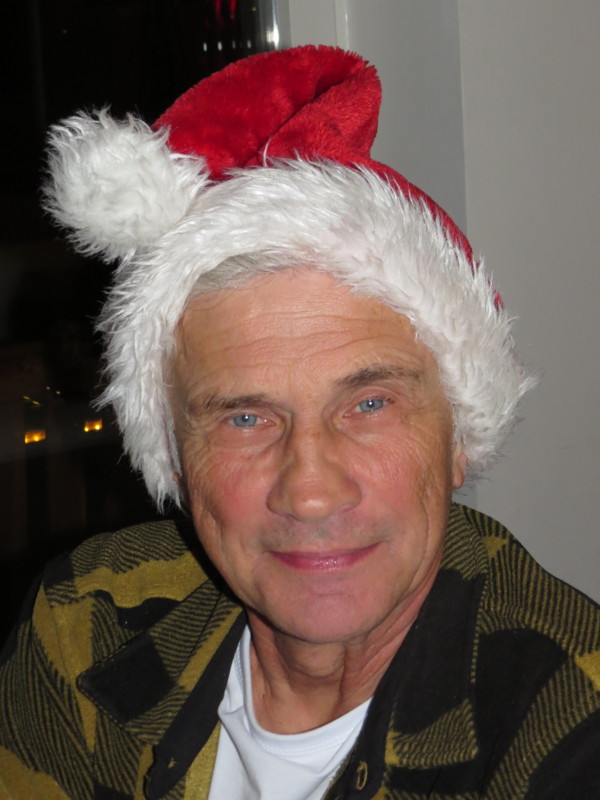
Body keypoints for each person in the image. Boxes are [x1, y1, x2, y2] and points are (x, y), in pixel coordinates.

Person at [0, 45, 598, 800]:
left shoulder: (567, 726)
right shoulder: (89, 625)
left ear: (458, 436)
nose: (310, 493)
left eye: (369, 404)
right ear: (176, 456)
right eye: (246, 418)